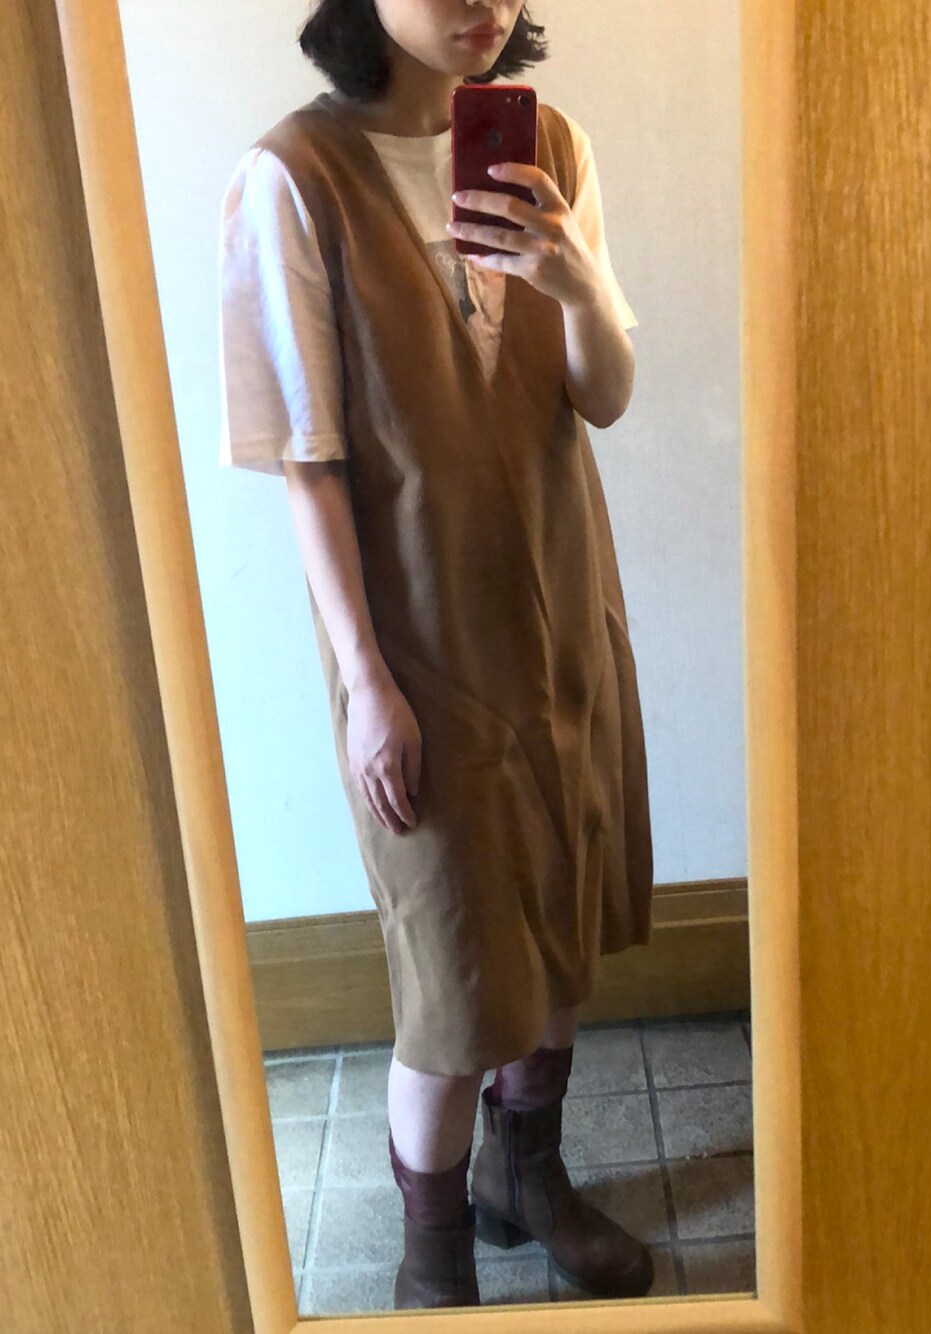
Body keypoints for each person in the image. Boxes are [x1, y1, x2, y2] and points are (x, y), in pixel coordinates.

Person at [219, 0, 655, 1310]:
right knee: (456, 974)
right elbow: (306, 461)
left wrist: (575, 281)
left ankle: (530, 1177)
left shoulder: (551, 147)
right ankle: (434, 1263)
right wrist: (365, 685)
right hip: (414, 639)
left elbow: (603, 392)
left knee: (559, 913)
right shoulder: (295, 180)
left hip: (561, 601)